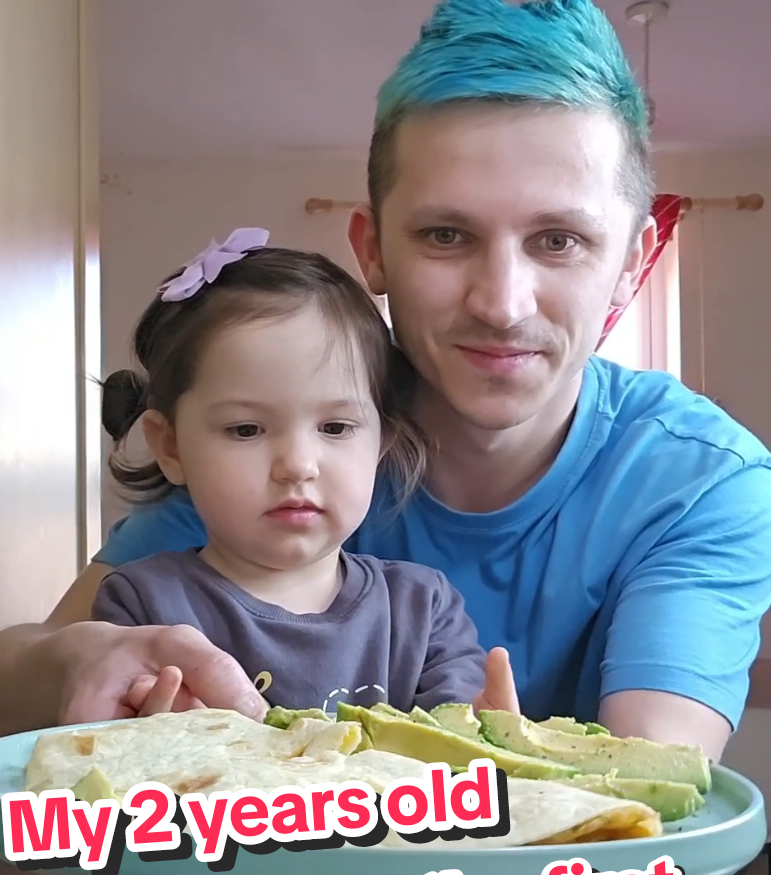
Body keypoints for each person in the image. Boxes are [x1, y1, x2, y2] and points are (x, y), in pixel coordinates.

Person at [0, 0, 771, 875]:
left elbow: (653, 799)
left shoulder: (699, 478)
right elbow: (2, 691)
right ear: (373, 246)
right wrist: (80, 659)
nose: (502, 301)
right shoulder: (280, 428)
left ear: (636, 263)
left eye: (559, 238)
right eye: (445, 234)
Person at [89, 230, 499, 717]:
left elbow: (457, 760)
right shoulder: (142, 608)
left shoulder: (422, 610)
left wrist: (489, 738)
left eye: (335, 427)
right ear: (171, 447)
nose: (298, 466)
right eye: (246, 429)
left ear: (380, 444)